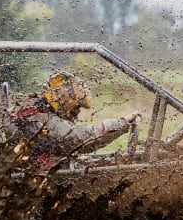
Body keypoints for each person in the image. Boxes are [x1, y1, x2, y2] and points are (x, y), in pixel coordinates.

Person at [9, 72, 140, 173]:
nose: (77, 113)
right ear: (64, 102)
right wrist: (123, 121)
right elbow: (85, 137)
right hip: (39, 183)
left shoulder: (32, 112)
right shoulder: (46, 122)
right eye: (76, 107)